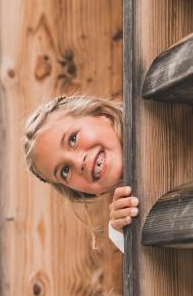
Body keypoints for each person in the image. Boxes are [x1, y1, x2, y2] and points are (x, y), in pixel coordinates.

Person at [24, 92, 138, 252]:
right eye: (65, 171)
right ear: (85, 193)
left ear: (102, 115)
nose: (78, 162)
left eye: (72, 139)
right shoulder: (123, 225)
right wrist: (125, 234)